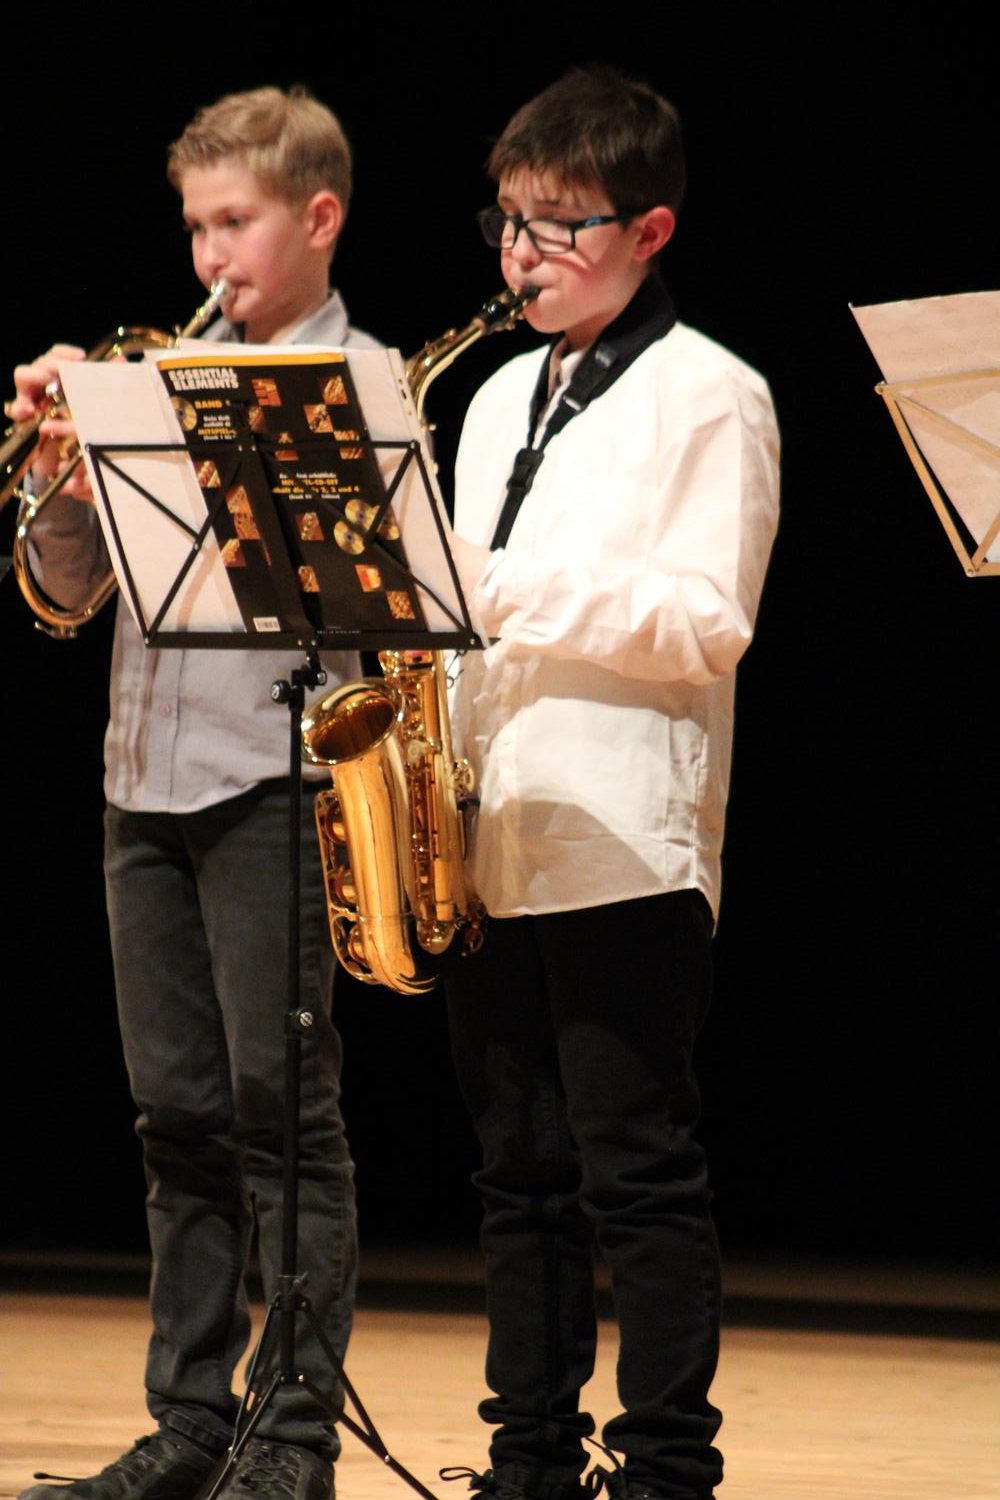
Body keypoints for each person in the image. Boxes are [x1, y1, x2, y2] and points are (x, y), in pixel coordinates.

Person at [9, 85, 381, 1500]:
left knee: (282, 1115)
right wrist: (66, 480)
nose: (209, 257)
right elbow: (65, 598)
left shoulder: (360, 386)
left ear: (318, 219)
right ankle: (188, 1423)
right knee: (174, 1117)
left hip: (274, 779)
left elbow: (375, 615)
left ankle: (292, 1435)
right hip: (142, 783)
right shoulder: (150, 380)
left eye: (235, 223)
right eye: (194, 228)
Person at [440, 66, 780, 1500]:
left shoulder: (713, 394)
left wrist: (500, 588)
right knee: (514, 1175)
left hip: (624, 839)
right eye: (508, 222)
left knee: (634, 1172)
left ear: (650, 230)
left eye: (558, 225)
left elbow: (709, 620)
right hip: (493, 830)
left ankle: (663, 1469)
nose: (523, 255)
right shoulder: (492, 395)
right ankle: (527, 1457)